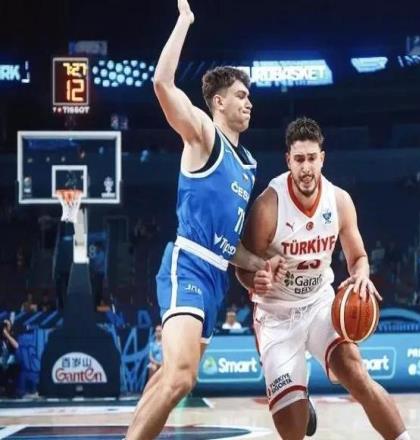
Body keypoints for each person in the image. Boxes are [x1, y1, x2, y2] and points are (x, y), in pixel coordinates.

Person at [126, 1, 283, 438]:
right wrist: (184, 22)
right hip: (189, 264)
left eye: (249, 97)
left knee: (169, 378)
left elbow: (229, 246)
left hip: (217, 278)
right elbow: (161, 83)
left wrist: (260, 263)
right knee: (181, 377)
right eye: (241, 96)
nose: (249, 102)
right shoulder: (203, 134)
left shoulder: (247, 164)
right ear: (218, 102)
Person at [236, 117, 410, 440]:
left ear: (322, 158)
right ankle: (300, 401)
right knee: (292, 430)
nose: (306, 168)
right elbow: (242, 266)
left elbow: (358, 258)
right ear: (288, 160)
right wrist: (256, 279)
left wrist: (361, 276)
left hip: (319, 304)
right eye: (299, 159)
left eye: (312, 158)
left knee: (357, 375)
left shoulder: (339, 201)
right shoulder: (268, 206)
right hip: (276, 314)